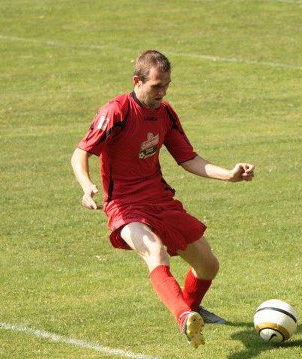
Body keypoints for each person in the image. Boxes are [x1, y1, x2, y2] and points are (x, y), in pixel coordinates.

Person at [71, 50, 255, 348]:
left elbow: (188, 158)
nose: (163, 92)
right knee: (155, 253)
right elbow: (81, 153)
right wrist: (86, 185)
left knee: (208, 266)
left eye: (166, 85)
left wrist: (229, 175)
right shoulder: (116, 112)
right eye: (157, 86)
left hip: (159, 199)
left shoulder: (165, 112)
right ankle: (184, 317)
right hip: (125, 205)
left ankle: (192, 309)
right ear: (137, 81)